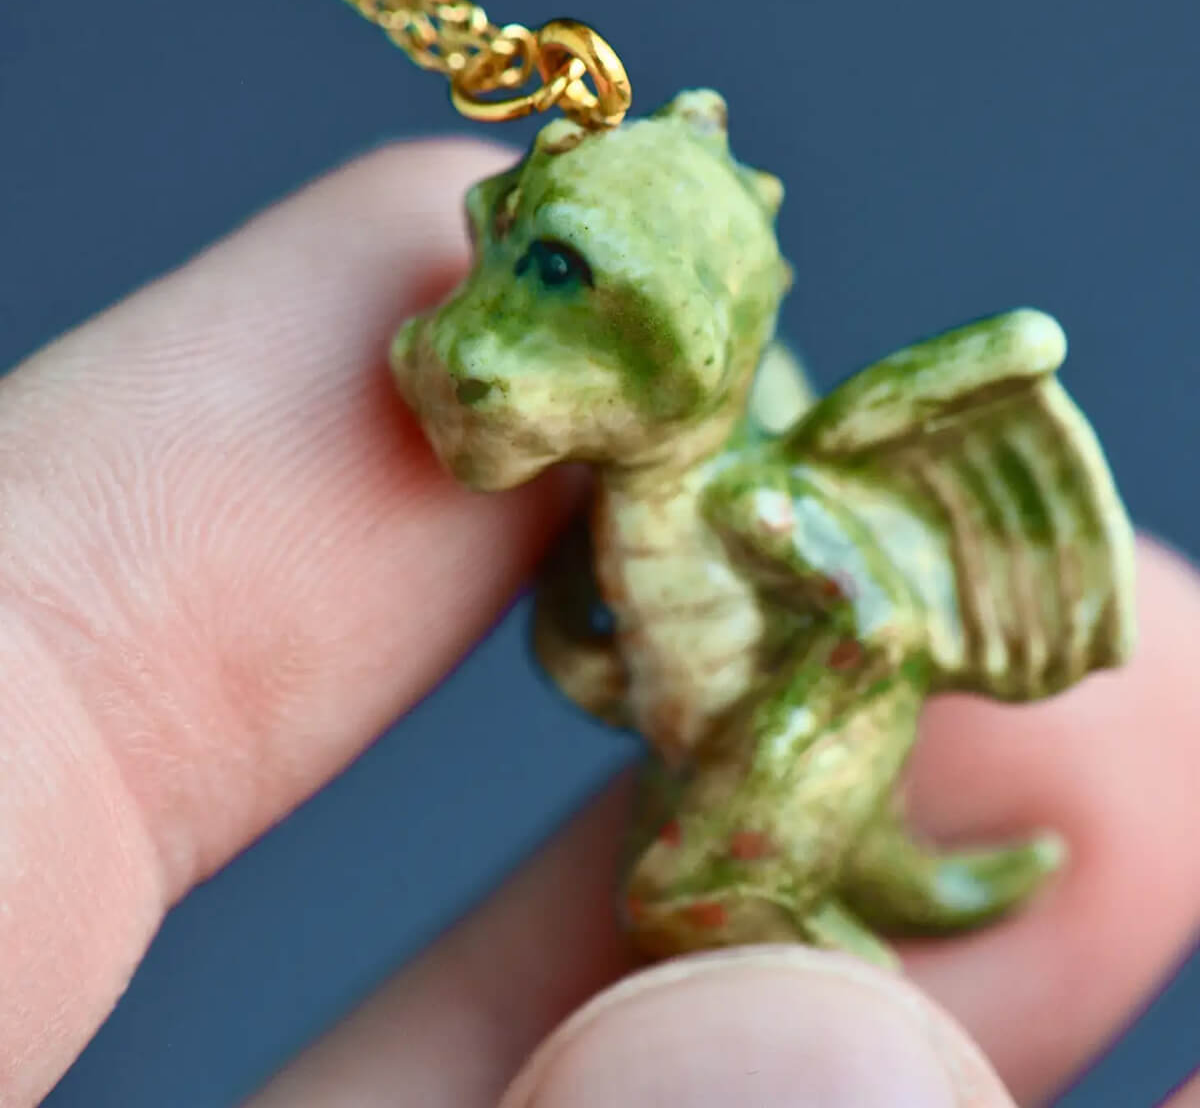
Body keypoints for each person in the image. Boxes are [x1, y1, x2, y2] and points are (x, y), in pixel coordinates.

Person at [2, 140, 1197, 1108]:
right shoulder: (627, 495)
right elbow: (599, 595)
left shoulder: (756, 505)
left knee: (685, 898)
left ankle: (848, 980)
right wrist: (585, 641)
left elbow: (875, 626)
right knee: (660, 894)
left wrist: (772, 758)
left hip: (792, 737)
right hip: (696, 733)